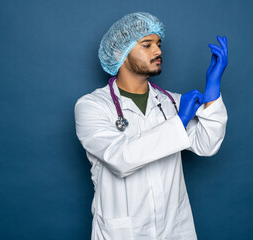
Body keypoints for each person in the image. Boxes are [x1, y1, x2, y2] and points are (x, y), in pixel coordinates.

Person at [74, 12, 228, 240]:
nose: (158, 51)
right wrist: (180, 122)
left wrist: (213, 89)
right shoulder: (92, 106)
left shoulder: (172, 102)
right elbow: (121, 158)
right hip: (124, 232)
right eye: (147, 45)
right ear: (120, 52)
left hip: (174, 229)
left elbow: (207, 145)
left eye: (158, 44)